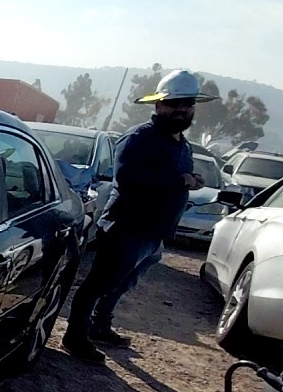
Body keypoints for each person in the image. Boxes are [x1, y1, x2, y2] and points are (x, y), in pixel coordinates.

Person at [62, 70, 218, 363]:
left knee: (123, 283)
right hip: (127, 228)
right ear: (158, 106)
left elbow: (173, 178)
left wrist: (190, 179)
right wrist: (179, 181)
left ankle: (99, 325)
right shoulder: (139, 137)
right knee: (100, 283)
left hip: (155, 232)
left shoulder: (181, 145)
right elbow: (127, 177)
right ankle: (75, 337)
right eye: (174, 103)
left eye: (187, 103)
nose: (181, 109)